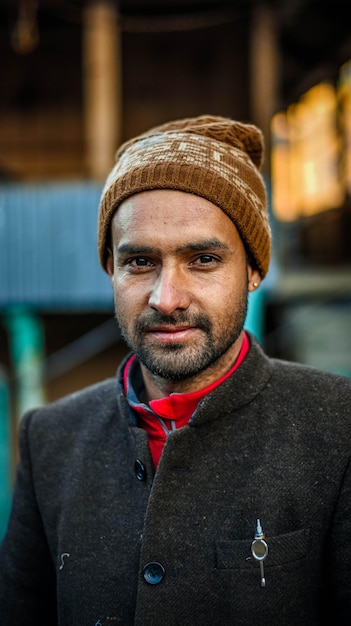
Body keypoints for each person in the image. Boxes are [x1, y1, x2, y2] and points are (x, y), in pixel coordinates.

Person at [0, 114, 350, 626]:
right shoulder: (50, 439)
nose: (167, 299)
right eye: (139, 262)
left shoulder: (337, 428)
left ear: (253, 268)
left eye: (204, 259)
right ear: (110, 271)